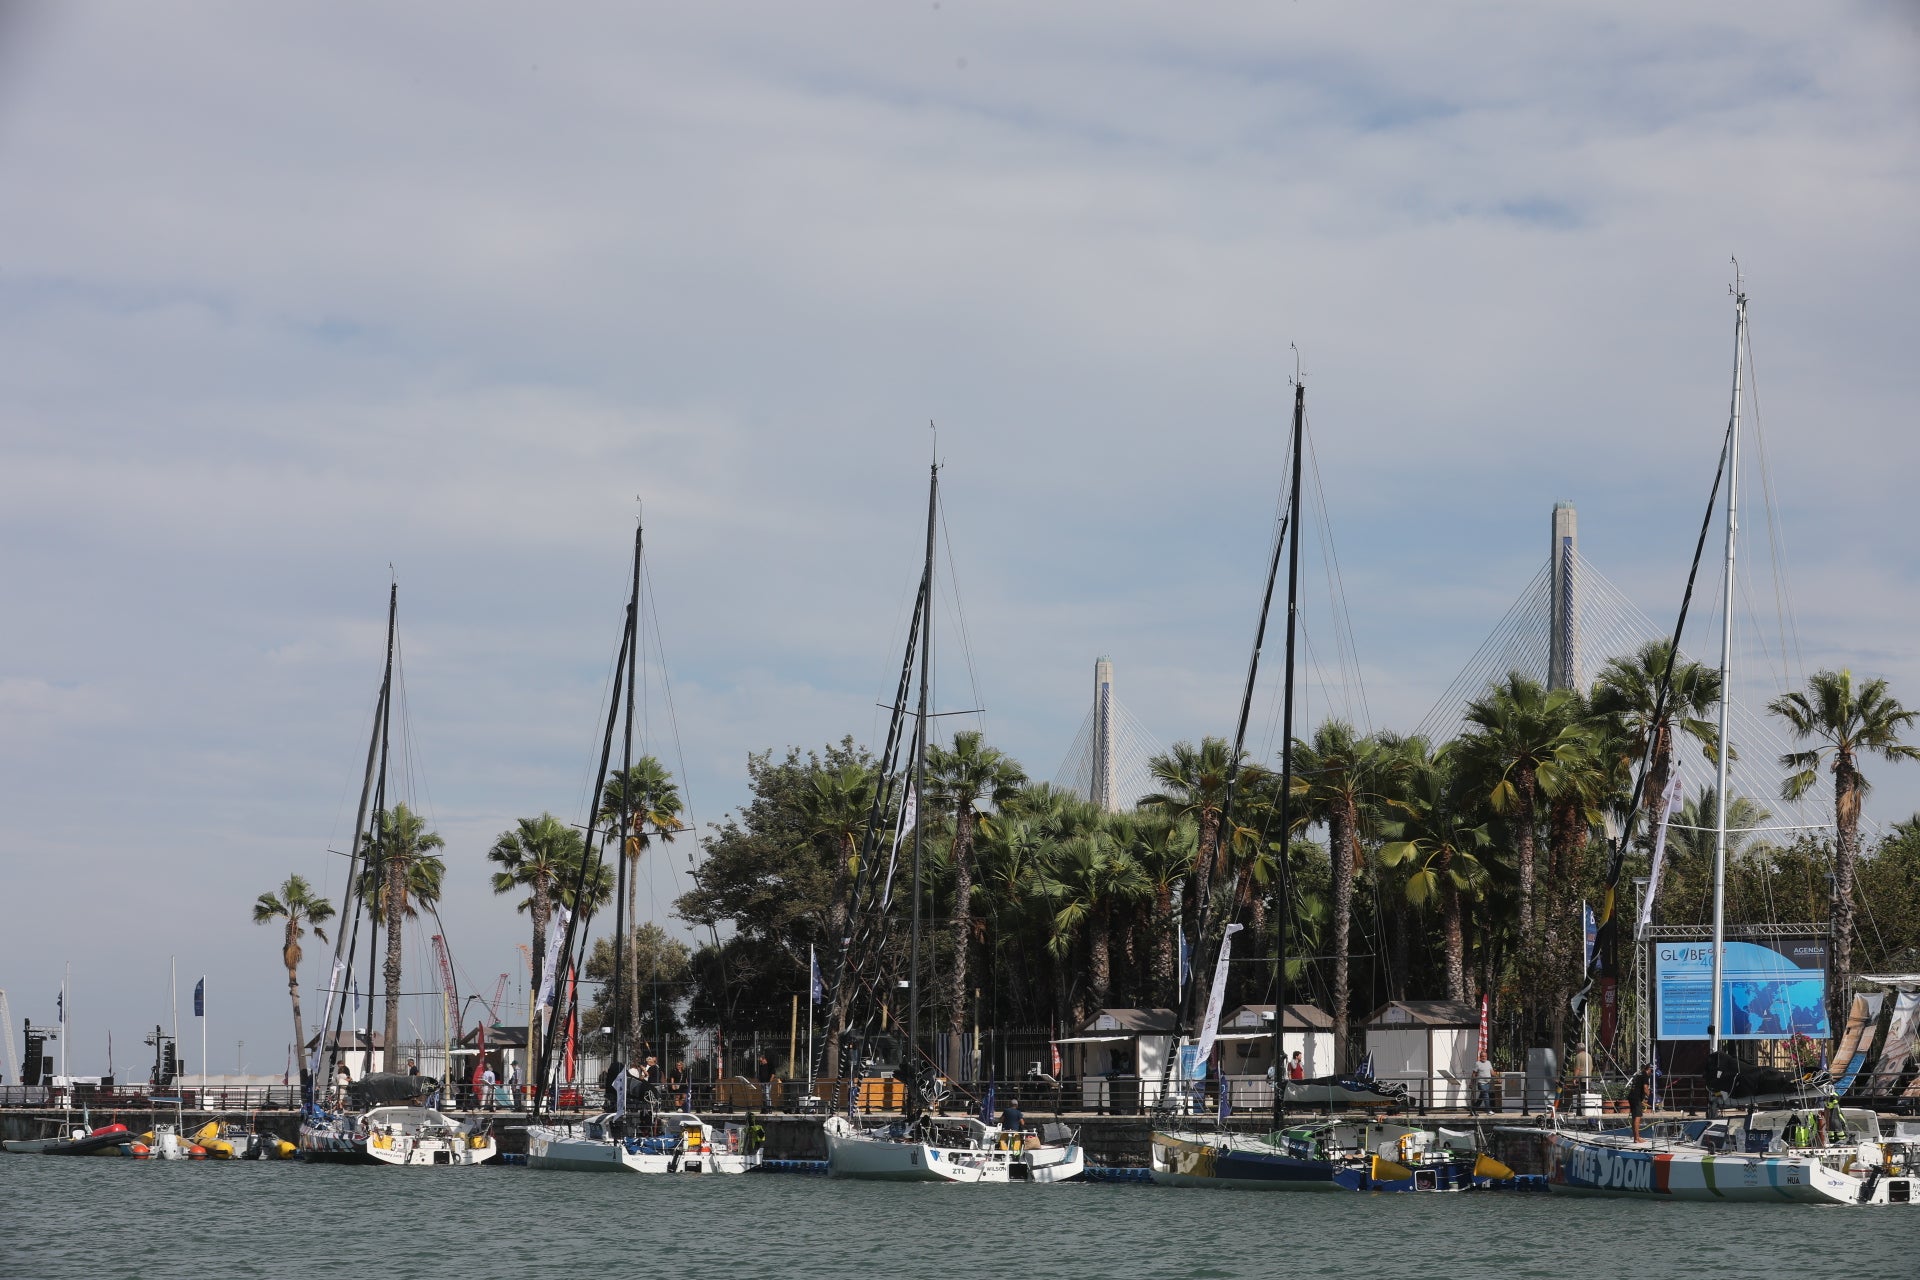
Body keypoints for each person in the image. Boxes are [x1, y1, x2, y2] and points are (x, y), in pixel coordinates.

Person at [1627, 1066, 1649, 1142]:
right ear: (1649, 1069)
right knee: (1637, 1117)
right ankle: (1637, 1138)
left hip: (1632, 1096)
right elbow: (1645, 1089)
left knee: (1634, 1117)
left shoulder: (1639, 1075)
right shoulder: (1645, 1076)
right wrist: (1652, 1098)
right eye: (1652, 1071)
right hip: (1636, 1098)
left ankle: (1636, 1137)